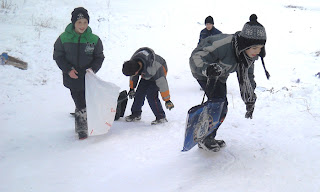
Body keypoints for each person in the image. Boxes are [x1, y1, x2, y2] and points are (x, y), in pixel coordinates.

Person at [189, 14, 269, 152]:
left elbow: (248, 78)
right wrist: (207, 70)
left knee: (221, 106)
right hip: (203, 72)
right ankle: (204, 138)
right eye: (255, 48)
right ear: (246, 44)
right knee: (218, 104)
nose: (257, 52)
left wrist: (250, 99)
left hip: (220, 75)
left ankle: (207, 136)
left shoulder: (247, 56)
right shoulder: (224, 45)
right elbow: (195, 57)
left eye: (260, 48)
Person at [53, 7, 105, 139]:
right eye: (79, 22)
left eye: (85, 22)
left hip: (88, 77)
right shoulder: (63, 38)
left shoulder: (94, 39)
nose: (82, 26)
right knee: (80, 101)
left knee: (87, 100)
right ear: (73, 23)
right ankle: (82, 128)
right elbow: (58, 56)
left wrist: (92, 69)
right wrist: (68, 70)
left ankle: (85, 117)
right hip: (72, 77)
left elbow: (99, 57)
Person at [122, 47, 174, 125]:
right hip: (146, 73)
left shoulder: (154, 67)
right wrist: (132, 88)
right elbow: (133, 76)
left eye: (133, 74)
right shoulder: (133, 62)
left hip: (159, 72)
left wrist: (167, 100)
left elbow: (162, 82)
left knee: (151, 95)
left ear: (137, 71)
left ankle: (161, 117)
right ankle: (136, 114)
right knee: (139, 93)